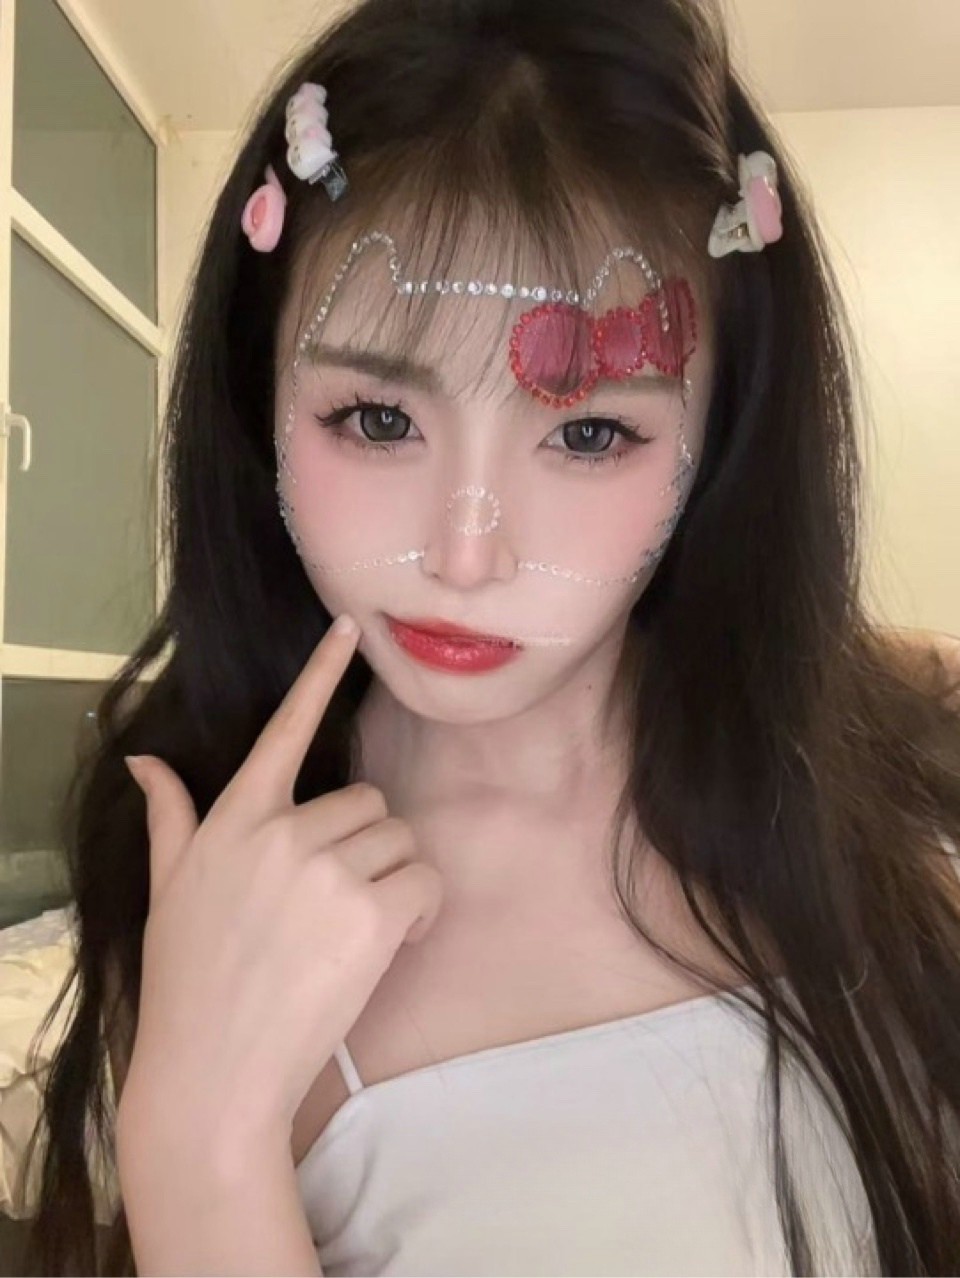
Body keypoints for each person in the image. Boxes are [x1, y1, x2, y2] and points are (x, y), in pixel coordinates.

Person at [22, 0, 960, 1274]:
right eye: (376, 420)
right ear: (256, 396)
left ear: (721, 445)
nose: (467, 557)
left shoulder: (883, 793)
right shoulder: (205, 877)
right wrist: (195, 1139)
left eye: (589, 433)